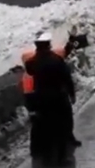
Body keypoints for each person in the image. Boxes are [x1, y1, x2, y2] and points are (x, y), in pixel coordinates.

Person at [21, 32, 81, 163]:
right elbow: (67, 78)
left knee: (41, 125)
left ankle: (40, 152)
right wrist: (72, 94)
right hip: (58, 98)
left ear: (37, 46)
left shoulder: (32, 63)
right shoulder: (57, 60)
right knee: (62, 125)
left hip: (41, 99)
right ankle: (62, 156)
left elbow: (29, 72)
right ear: (49, 45)